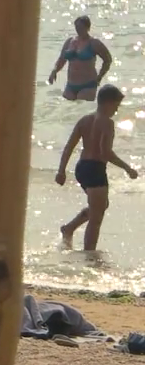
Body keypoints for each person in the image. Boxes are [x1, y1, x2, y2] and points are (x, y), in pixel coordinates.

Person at [55, 83, 136, 252]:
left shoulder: (84, 120)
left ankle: (69, 228)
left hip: (82, 168)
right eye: (116, 105)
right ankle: (89, 254)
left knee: (100, 206)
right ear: (107, 102)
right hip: (95, 169)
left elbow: (69, 147)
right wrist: (127, 168)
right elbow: (105, 152)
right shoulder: (107, 123)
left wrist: (61, 171)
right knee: (96, 218)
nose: (116, 110)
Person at [47, 15, 112, 101]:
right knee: (67, 108)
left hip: (88, 85)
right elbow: (61, 59)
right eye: (76, 27)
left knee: (82, 107)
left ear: (88, 28)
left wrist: (100, 76)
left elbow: (108, 60)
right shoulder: (70, 41)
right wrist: (54, 71)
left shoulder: (94, 43)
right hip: (70, 85)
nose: (78, 30)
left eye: (81, 27)